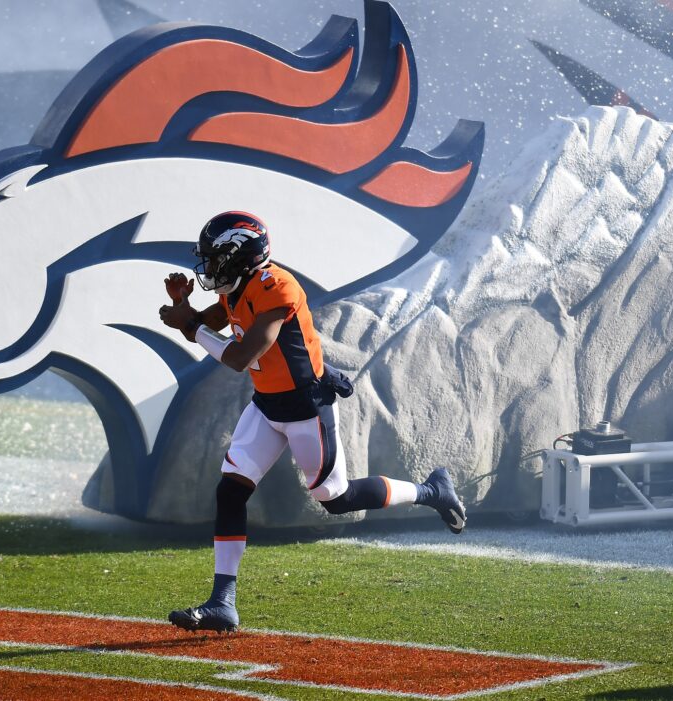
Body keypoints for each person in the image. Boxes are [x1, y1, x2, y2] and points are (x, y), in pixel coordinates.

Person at [158, 211, 466, 633]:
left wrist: (189, 324)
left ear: (239, 257)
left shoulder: (277, 288)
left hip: (306, 408)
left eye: (216, 258)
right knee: (230, 493)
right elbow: (209, 323)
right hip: (267, 405)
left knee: (334, 499)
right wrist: (183, 309)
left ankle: (431, 490)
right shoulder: (238, 285)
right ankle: (221, 602)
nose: (209, 268)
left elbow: (237, 357)